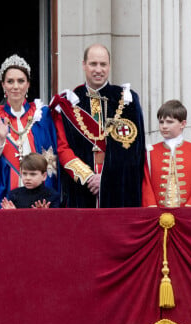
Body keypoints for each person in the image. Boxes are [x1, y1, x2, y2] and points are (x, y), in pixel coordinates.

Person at [50, 43, 145, 208]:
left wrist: (106, 178)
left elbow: (133, 150)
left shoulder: (127, 99)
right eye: (93, 64)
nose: (98, 69)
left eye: (103, 64)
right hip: (82, 188)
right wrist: (88, 177)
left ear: (109, 66)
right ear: (84, 65)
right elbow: (63, 148)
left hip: (118, 188)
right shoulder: (69, 103)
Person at [0, 54, 59, 209]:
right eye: (10, 81)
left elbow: (51, 164)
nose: (15, 86)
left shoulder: (41, 115)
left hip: (38, 197)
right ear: (3, 85)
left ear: (28, 84)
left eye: (21, 81)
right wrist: (0, 139)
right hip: (5, 195)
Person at [141, 100, 191, 207]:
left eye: (169, 122)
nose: (164, 126)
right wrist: (151, 207)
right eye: (161, 122)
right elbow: (146, 184)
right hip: (157, 214)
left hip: (189, 213)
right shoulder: (150, 152)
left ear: (183, 124)